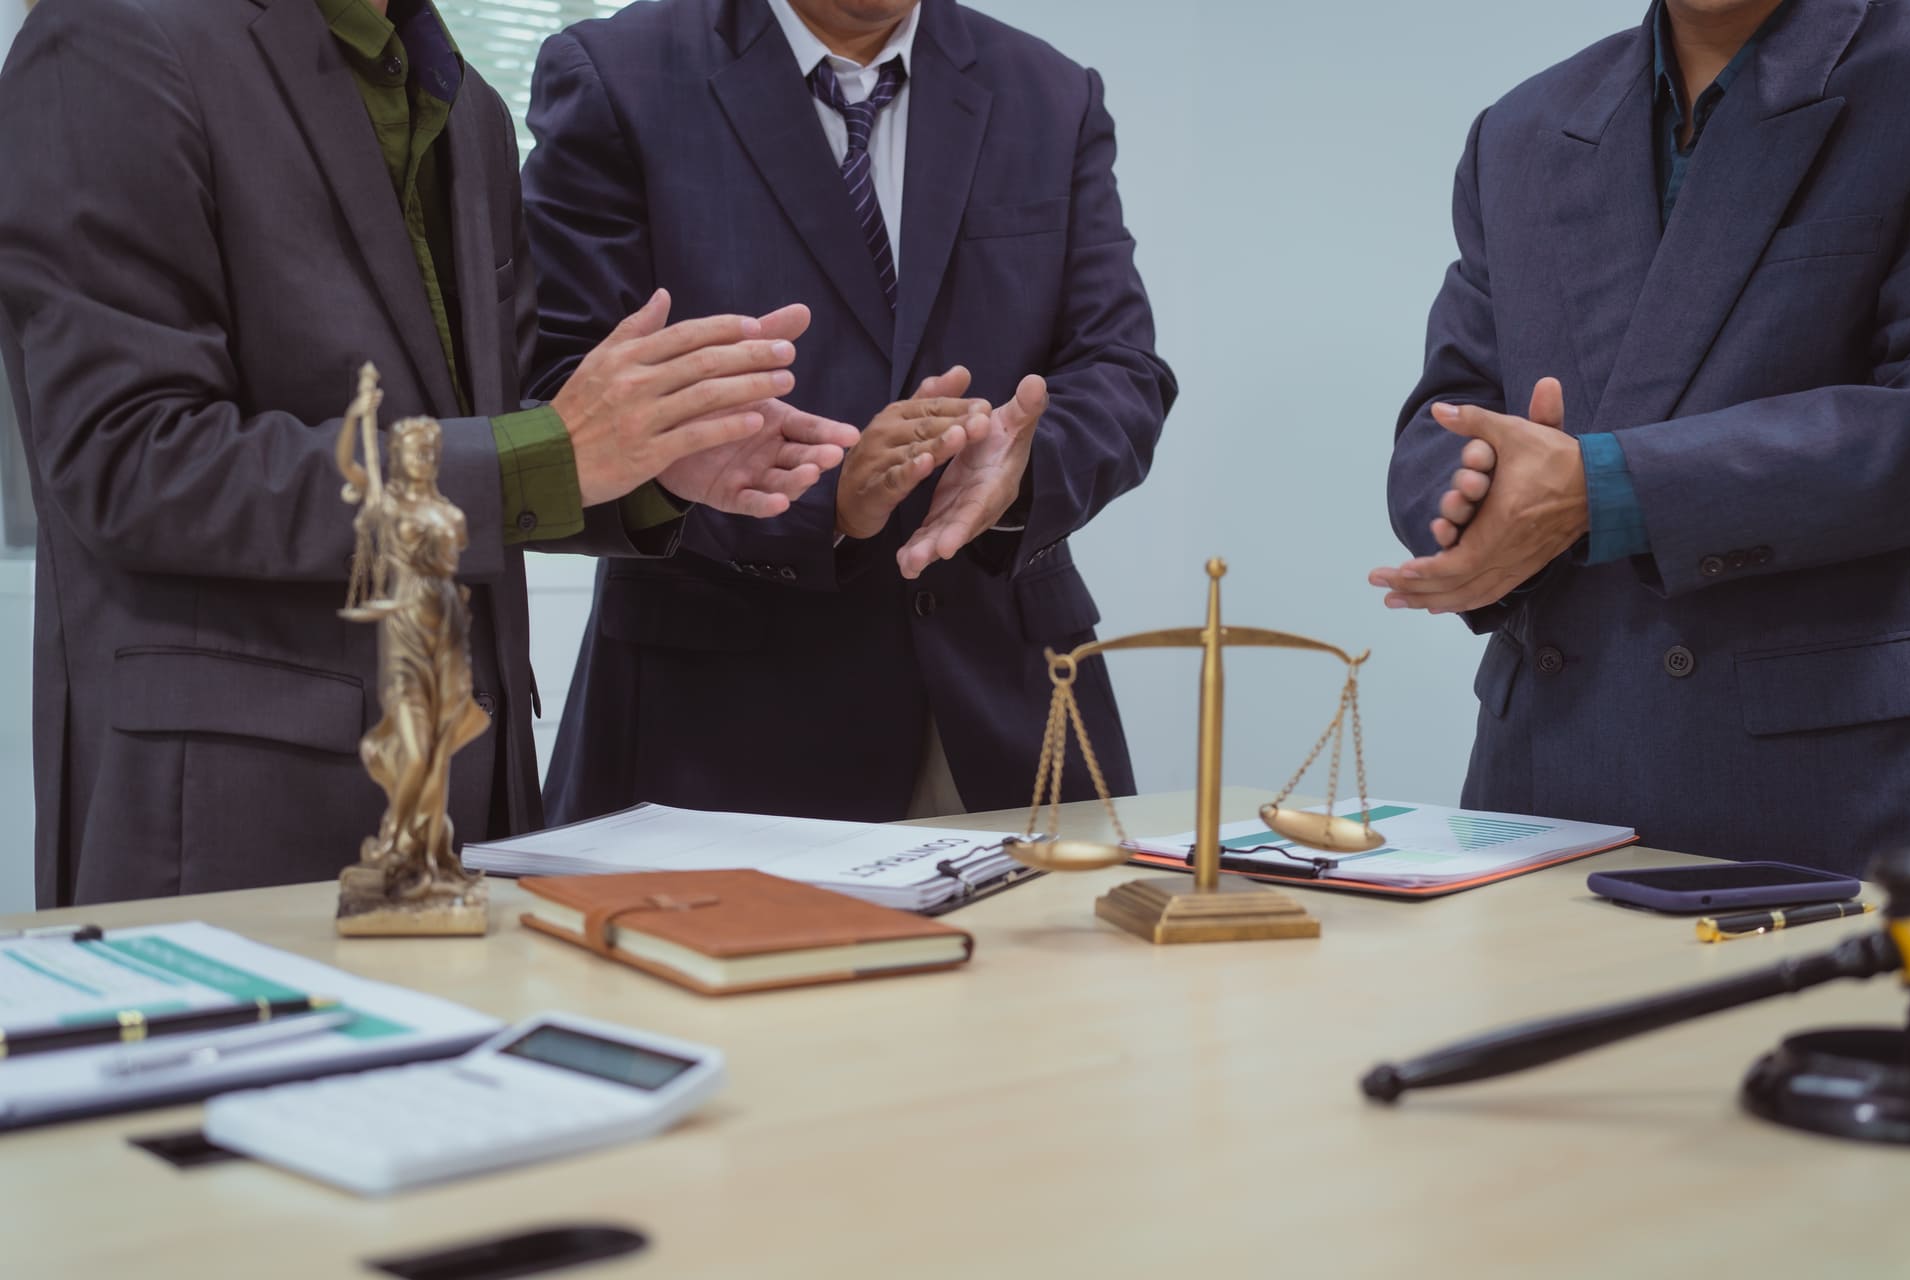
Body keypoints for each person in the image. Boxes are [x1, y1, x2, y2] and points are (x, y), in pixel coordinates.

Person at [0, 0, 859, 905]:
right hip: (231, 828)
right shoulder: (112, 38)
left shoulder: (468, 102)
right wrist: (554, 454)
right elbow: (135, 463)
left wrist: (650, 465)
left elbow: (493, 435)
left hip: (477, 806)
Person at [524, 0, 1176, 825]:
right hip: (719, 731)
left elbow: (1122, 369)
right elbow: (563, 400)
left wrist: (1025, 465)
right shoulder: (616, 74)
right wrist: (820, 505)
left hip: (1005, 713)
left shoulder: (1049, 92)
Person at [1370, 0, 1910, 870]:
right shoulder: (1521, 129)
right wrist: (1477, 491)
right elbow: (1448, 407)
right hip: (1543, 785)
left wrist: (1605, 487)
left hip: (1824, 792)